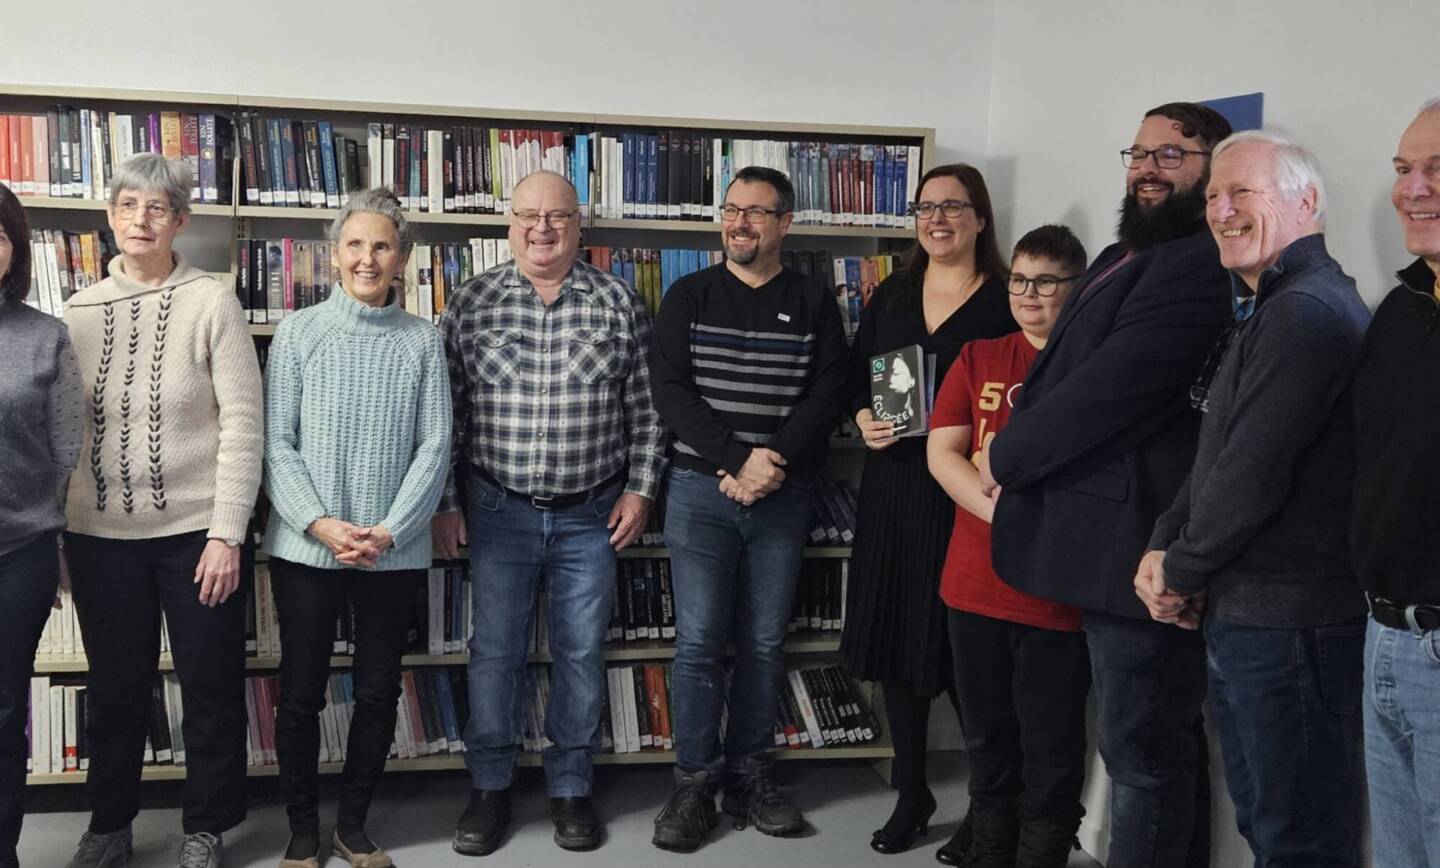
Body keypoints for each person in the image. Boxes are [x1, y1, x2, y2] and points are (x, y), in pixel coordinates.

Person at [979, 103, 1233, 868]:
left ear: (1214, 169)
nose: (1147, 168)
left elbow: (1106, 393)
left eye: (1172, 155)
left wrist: (1005, 457)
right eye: (1139, 152)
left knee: (1142, 755)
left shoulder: (1196, 266)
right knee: (1155, 740)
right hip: (1107, 550)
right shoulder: (1130, 254)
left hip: (1137, 555)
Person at [1136, 131, 1369, 867]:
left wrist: (1180, 569)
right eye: (1212, 197)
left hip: (1291, 624)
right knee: (1270, 827)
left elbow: (1252, 476)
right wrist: (1166, 542)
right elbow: (1218, 451)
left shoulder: (1307, 312)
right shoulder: (1271, 305)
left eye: (1244, 193)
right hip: (1250, 614)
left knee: (1296, 838)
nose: (1222, 211)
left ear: (1307, 202)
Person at [434, 170, 666, 856]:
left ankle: (571, 788)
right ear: (509, 223)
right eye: (530, 216)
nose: (543, 228)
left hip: (591, 514)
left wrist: (642, 490)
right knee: (495, 654)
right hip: (496, 509)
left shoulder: (621, 303)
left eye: (558, 217)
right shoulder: (470, 304)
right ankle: (490, 788)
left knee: (580, 654)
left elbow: (649, 416)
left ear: (578, 225)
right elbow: (444, 417)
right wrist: (447, 503)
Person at [61, 153, 263, 868]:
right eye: (127, 205)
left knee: (210, 684)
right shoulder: (76, 312)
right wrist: (57, 528)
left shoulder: (212, 301)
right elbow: (61, 434)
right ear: (110, 217)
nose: (141, 219)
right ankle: (109, 823)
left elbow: (243, 422)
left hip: (194, 538)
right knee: (116, 688)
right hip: (97, 539)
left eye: (158, 207)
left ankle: (205, 825)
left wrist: (226, 534)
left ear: (180, 221)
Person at [648, 165, 847, 852]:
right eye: (732, 210)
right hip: (701, 494)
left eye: (757, 213)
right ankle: (695, 784)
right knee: (699, 644)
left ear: (785, 223)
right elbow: (671, 393)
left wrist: (770, 463)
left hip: (782, 494)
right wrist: (738, 459)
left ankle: (752, 777)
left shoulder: (815, 300)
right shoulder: (689, 295)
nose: (740, 223)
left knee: (764, 644)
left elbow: (829, 392)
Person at [263, 189, 452, 868]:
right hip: (306, 547)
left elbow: (436, 446)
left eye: (381, 246)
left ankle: (353, 826)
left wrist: (390, 530)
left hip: (390, 554)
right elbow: (276, 443)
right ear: (334, 254)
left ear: (401, 258)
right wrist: (320, 523)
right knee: (302, 693)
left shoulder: (424, 341)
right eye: (355, 244)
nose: (367, 258)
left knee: (377, 690)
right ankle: (302, 831)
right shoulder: (298, 333)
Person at [838, 163, 1015, 856]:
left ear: (980, 218)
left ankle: (990, 804)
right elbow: (857, 374)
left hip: (968, 498)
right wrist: (861, 417)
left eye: (953, 206)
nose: (937, 219)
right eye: (926, 207)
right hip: (893, 489)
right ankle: (912, 793)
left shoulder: (1004, 300)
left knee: (968, 659)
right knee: (898, 655)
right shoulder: (893, 292)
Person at [928, 225, 1090, 868]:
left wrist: (999, 468)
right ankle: (990, 845)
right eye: (1020, 279)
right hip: (972, 582)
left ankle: (1043, 851)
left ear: (1075, 290)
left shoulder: (1091, 366)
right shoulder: (980, 356)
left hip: (1055, 593)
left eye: (1047, 281)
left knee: (1051, 744)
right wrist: (1003, 513)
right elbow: (945, 455)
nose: (1029, 293)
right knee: (987, 736)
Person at [1353, 98, 1440, 868]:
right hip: (1384, 638)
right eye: (1406, 169)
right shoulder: (1401, 307)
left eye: (1439, 169)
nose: (1416, 189)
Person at [0, 186, 83, 868]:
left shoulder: (44, 336)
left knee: (2, 712)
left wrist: (49, 526)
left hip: (18, 551)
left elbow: (64, 449)